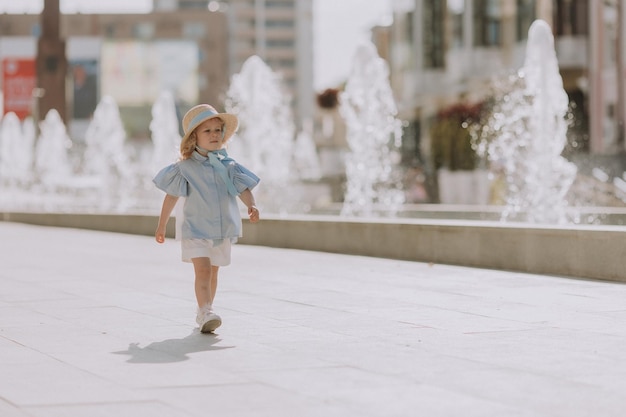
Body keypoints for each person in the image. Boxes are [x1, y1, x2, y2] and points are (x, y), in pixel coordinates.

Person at [153, 104, 260, 334]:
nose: (214, 135)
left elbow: (243, 188)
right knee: (202, 270)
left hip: (222, 230)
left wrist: (251, 205)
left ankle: (206, 308)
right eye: (207, 131)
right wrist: (162, 225)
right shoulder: (184, 168)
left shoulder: (229, 165)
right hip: (195, 229)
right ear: (194, 138)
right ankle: (205, 312)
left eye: (218, 130)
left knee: (213, 272)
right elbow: (171, 197)